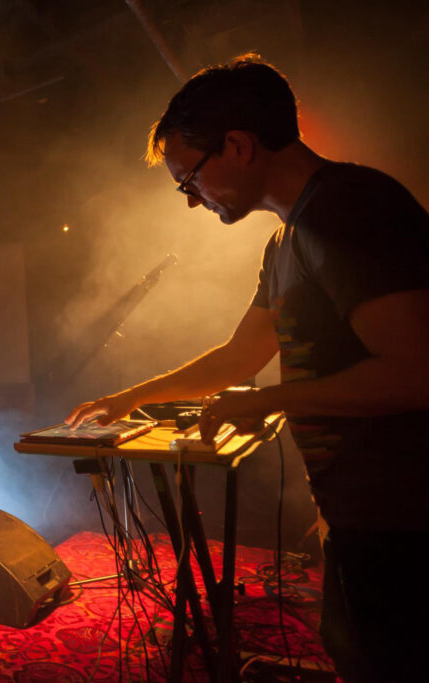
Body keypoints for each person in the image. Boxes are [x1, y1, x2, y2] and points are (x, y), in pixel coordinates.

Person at [65, 54, 429, 682]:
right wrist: (129, 399)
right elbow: (240, 355)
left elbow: (417, 371)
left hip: (408, 519)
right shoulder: (287, 238)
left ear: (237, 146)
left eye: (190, 181)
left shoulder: (347, 208)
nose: (191, 201)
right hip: (363, 510)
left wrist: (265, 402)